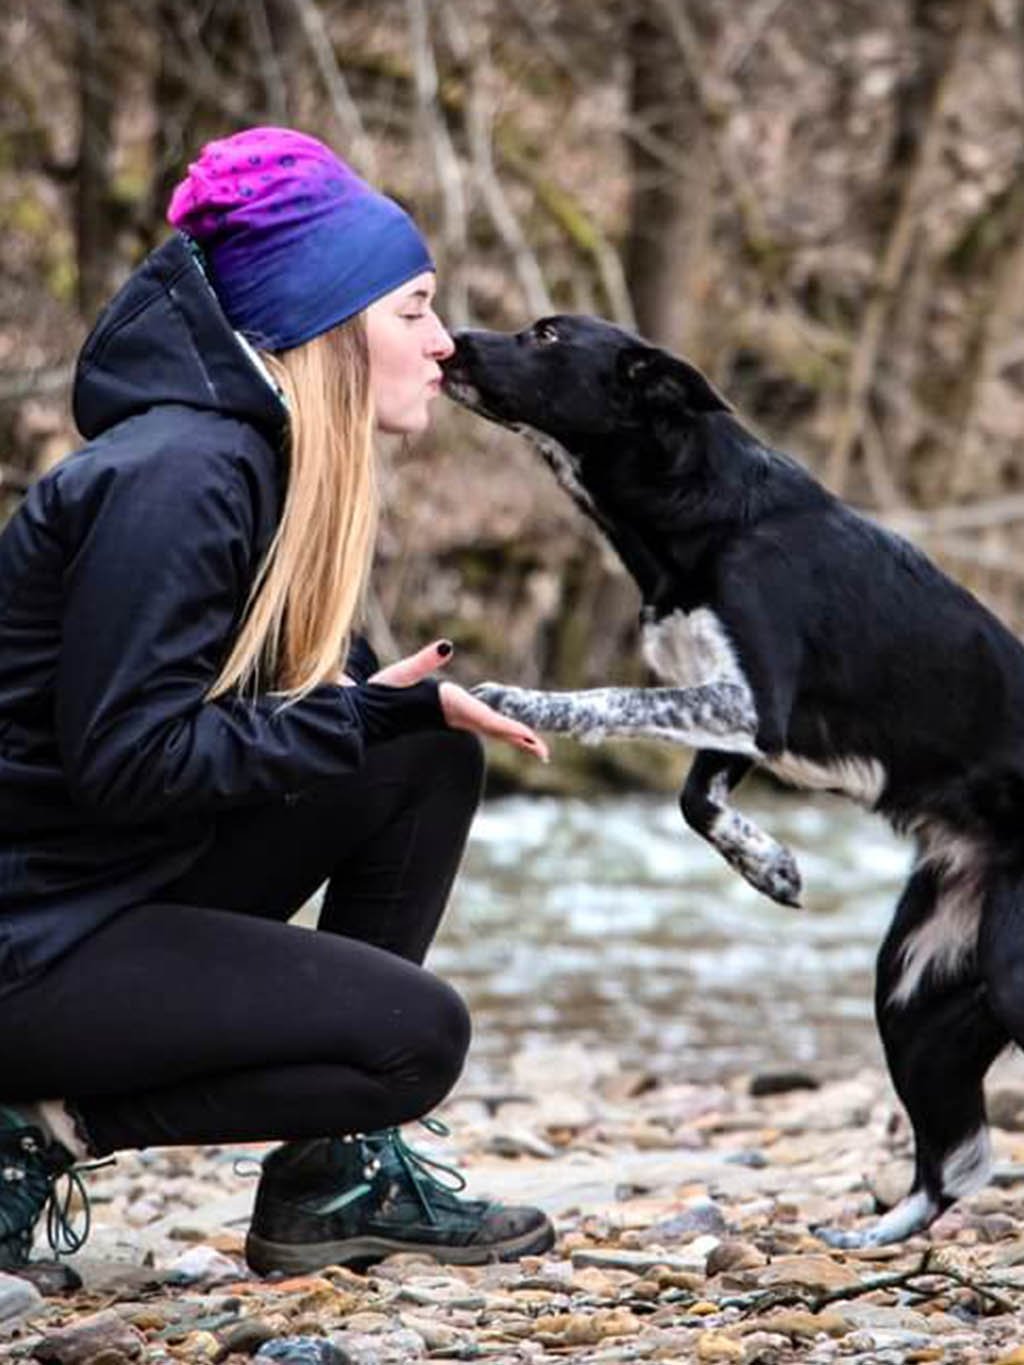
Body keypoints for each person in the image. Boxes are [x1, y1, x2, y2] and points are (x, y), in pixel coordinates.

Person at [0, 126, 555, 1276]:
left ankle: (328, 1179)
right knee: (416, 1038)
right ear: (324, 324)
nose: (443, 344)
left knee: (425, 753)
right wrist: (361, 712)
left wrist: (382, 715)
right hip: (26, 942)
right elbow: (130, 762)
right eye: (412, 309)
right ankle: (35, 1132)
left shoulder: (265, 462)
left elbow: (271, 735)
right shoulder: (182, 476)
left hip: (98, 885)